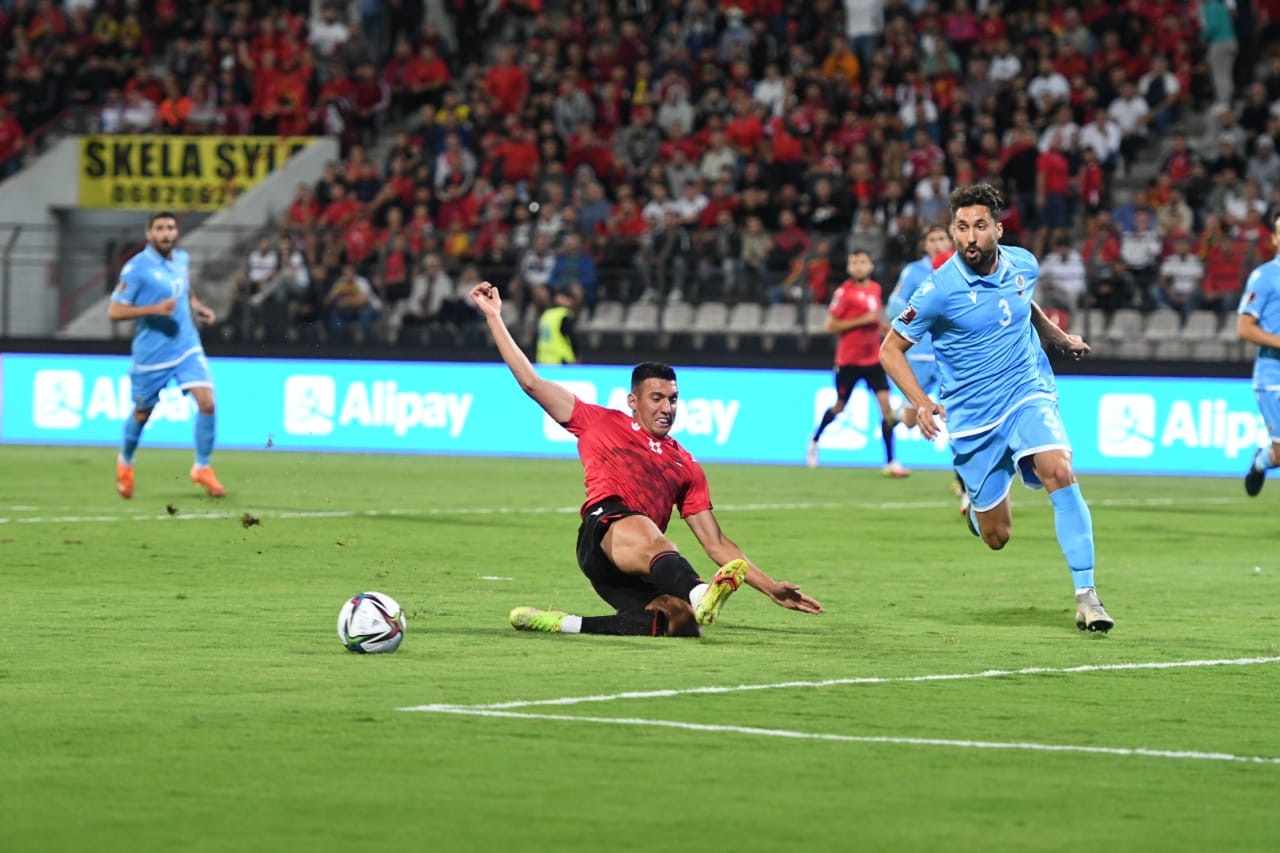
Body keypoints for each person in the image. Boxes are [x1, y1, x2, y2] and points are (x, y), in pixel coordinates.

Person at [468, 281, 823, 637]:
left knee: (679, 623)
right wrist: (495, 317)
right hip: (605, 531)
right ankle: (700, 592)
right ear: (632, 401)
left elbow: (716, 543)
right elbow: (531, 382)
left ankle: (562, 624)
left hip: (636, 568)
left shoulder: (685, 464)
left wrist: (771, 587)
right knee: (653, 537)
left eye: (673, 399)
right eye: (656, 398)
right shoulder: (599, 422)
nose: (667, 407)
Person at [880, 184, 1115, 633]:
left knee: (1059, 469)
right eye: (962, 227)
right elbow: (890, 349)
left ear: (997, 230)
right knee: (997, 537)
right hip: (972, 419)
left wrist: (1061, 340)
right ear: (952, 230)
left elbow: (1026, 306)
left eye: (980, 227)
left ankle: (1087, 595)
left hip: (1026, 391)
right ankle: (976, 511)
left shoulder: (1023, 262)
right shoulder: (937, 290)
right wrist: (922, 402)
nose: (970, 237)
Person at [108, 212, 225, 499]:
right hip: (152, 354)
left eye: (170, 228)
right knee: (142, 413)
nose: (166, 233)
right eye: (159, 228)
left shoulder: (181, 259)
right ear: (149, 234)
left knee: (207, 403)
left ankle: (202, 467)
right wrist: (153, 309)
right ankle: (125, 462)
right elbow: (115, 311)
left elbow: (183, 288)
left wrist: (197, 306)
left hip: (186, 346)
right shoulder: (136, 268)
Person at [885, 225, 968, 511]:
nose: (937, 243)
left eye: (941, 238)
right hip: (918, 355)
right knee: (910, 419)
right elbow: (892, 308)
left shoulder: (962, 267)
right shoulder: (913, 272)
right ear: (924, 245)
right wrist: (922, 308)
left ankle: (965, 486)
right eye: (931, 240)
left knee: (957, 418)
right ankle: (892, 417)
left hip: (950, 357)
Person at [808, 249, 907, 477]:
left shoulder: (875, 289)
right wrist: (862, 320)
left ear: (870, 266)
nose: (859, 267)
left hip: (874, 359)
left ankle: (891, 461)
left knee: (886, 409)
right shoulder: (844, 292)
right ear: (849, 268)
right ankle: (815, 440)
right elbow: (830, 326)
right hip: (849, 361)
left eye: (863, 262)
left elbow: (875, 319)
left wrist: (883, 328)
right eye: (854, 263)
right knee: (840, 406)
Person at [1238, 210, 1280, 497]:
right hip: (1273, 375)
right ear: (1276, 238)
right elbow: (1245, 327)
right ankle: (1262, 461)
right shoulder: (1265, 277)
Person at [535, 289, 578, 364]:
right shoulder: (563, 315)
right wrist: (577, 355)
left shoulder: (546, 314)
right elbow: (572, 337)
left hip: (543, 360)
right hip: (560, 360)